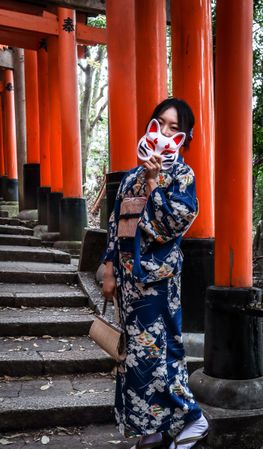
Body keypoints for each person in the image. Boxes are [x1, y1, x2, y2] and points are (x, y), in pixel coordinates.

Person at [102, 98, 209, 449]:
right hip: (129, 285)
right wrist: (108, 268)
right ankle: (152, 429)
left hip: (158, 282)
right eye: (159, 123)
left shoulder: (182, 174)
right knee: (135, 359)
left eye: (173, 128)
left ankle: (194, 418)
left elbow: (171, 225)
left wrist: (152, 181)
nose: (163, 132)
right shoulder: (130, 175)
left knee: (162, 356)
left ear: (183, 137)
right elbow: (116, 225)